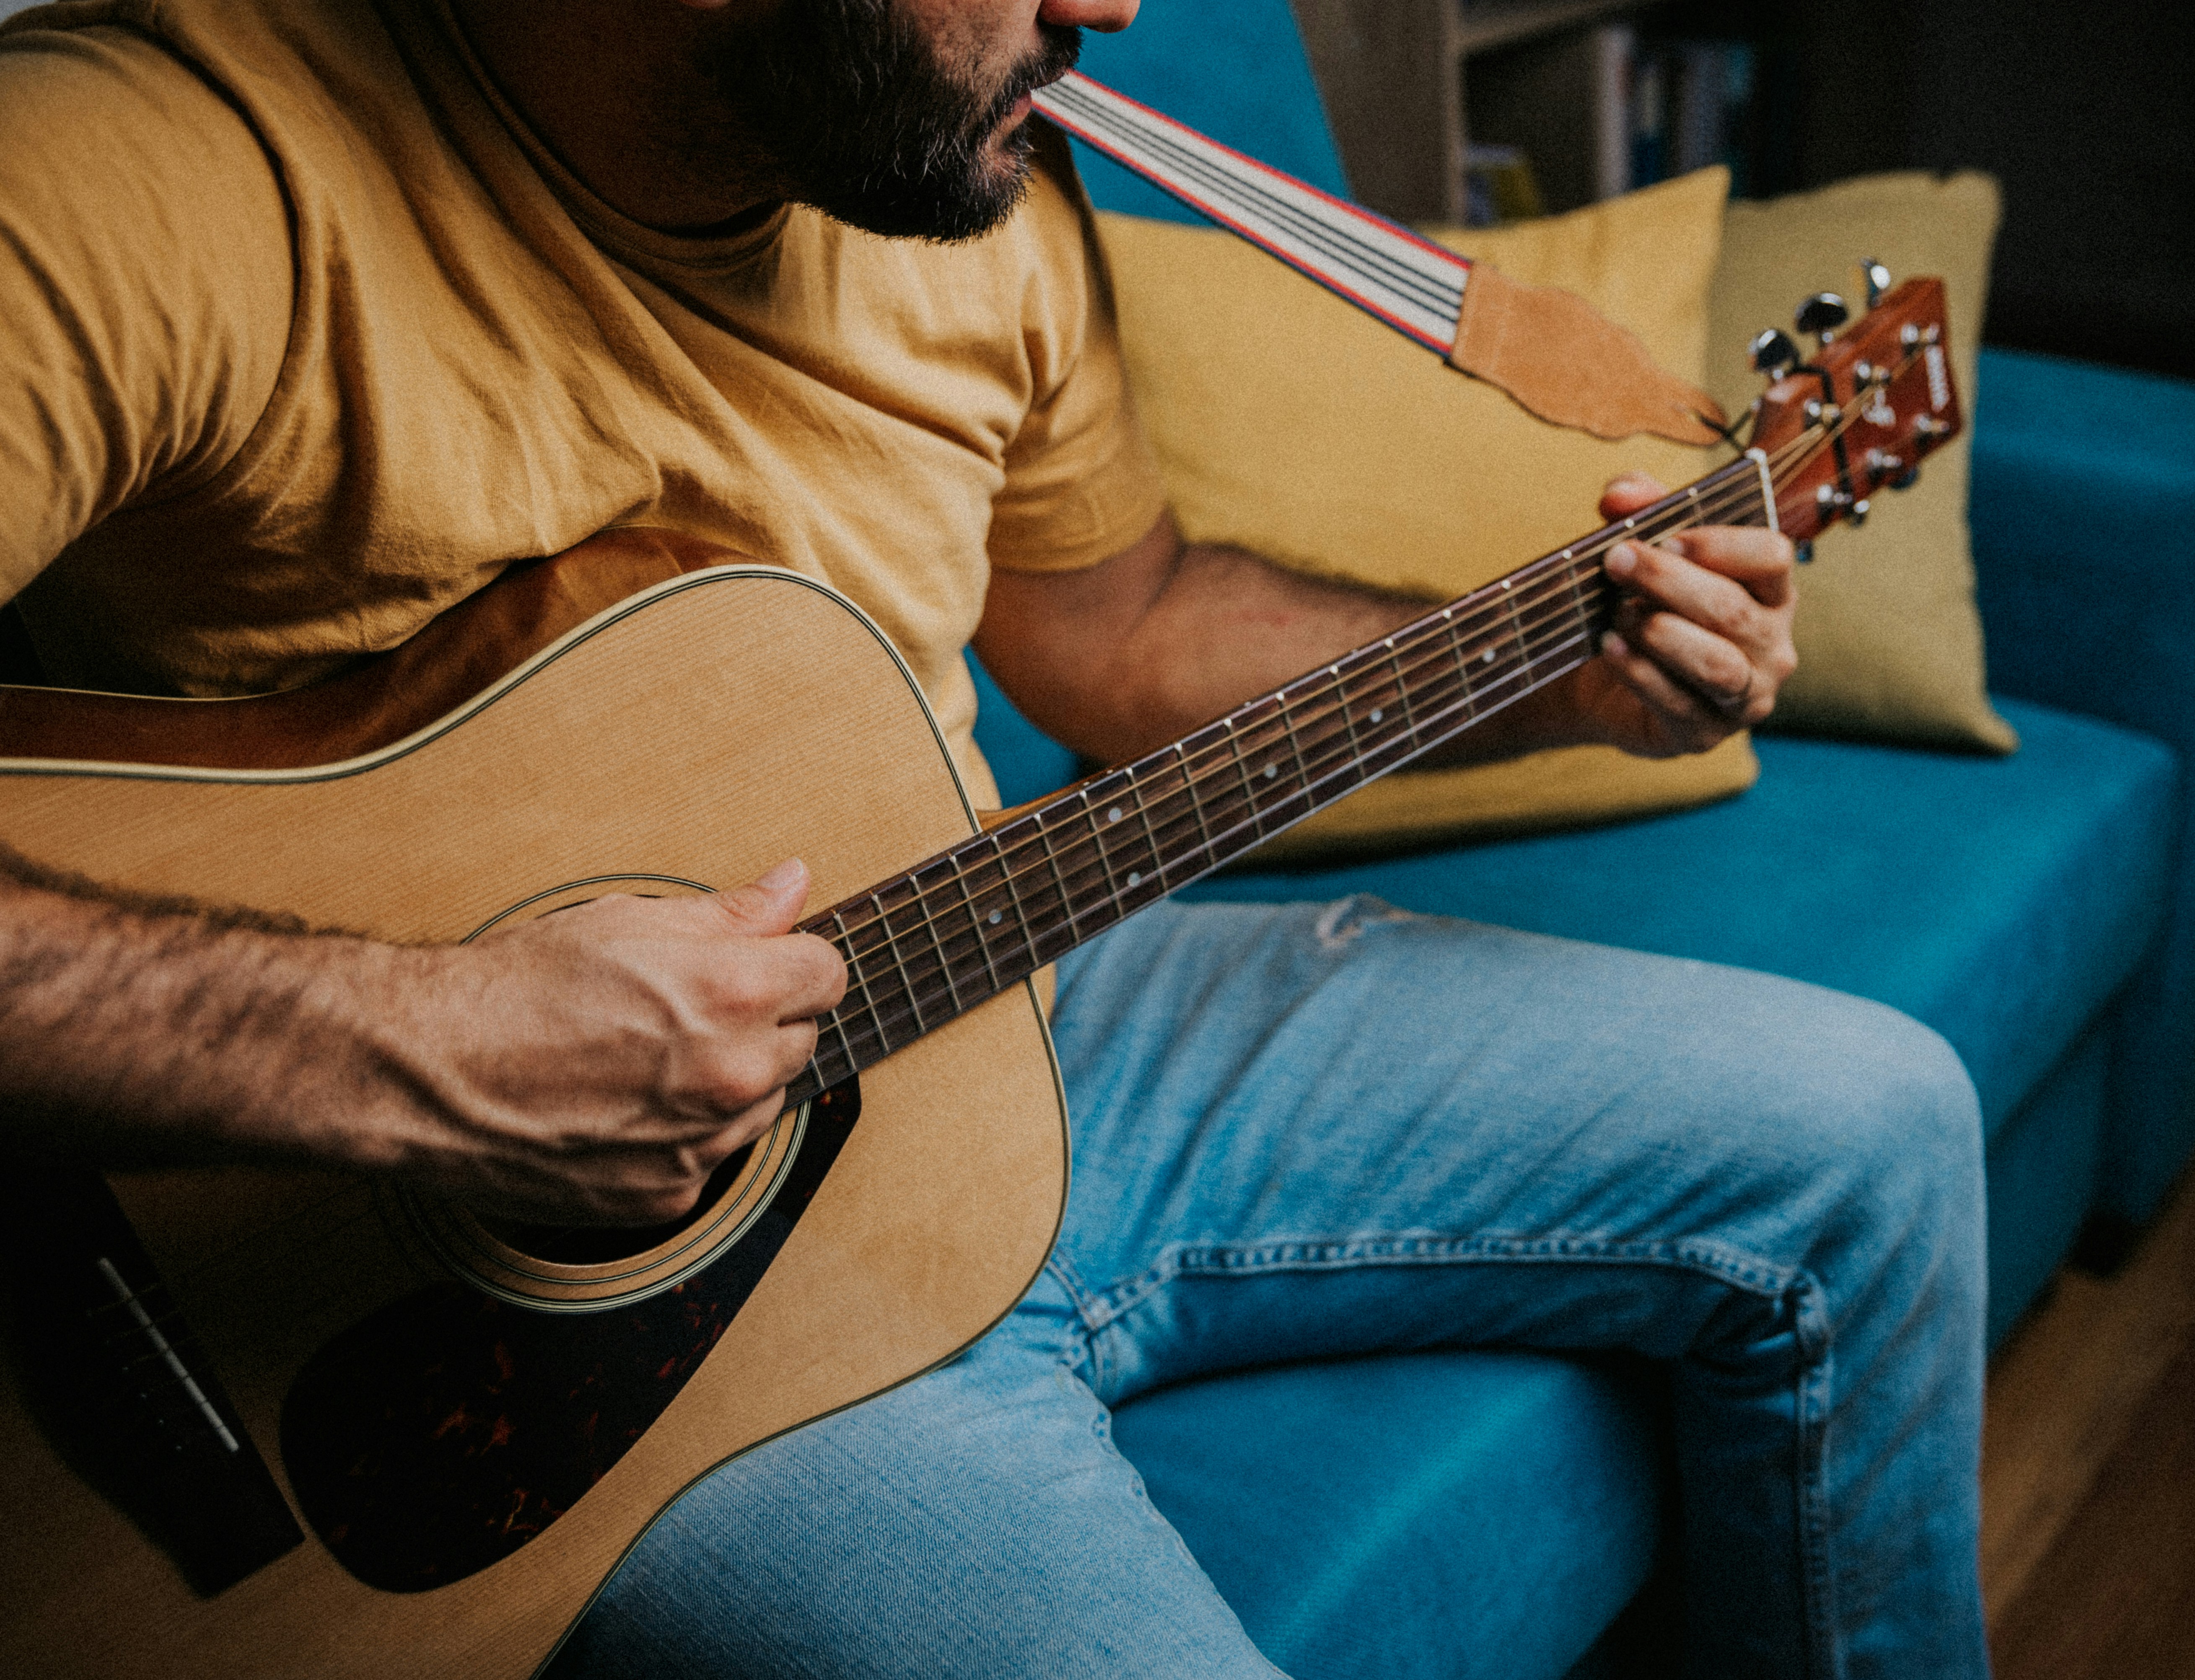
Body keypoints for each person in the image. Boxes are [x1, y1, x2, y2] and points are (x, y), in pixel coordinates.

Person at [0, 0, 1991, 1673]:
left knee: (1879, 1124)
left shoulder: (968, 186)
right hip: (517, 1320)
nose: (1119, 1)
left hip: (1006, 970)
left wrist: (1575, 668)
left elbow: (1116, 634)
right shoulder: (141, 175)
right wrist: (425, 1044)